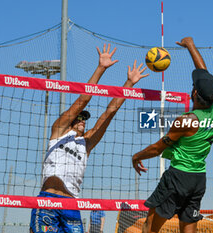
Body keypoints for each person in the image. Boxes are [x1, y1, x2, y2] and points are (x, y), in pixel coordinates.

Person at [30, 44, 149, 233]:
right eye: (80, 117)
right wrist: (101, 68)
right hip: (48, 200)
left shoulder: (86, 143)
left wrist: (129, 85)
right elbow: (82, 101)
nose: (83, 120)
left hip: (71, 205)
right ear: (70, 119)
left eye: (85, 119)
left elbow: (110, 113)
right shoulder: (59, 131)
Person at [132, 37, 213, 233]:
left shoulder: (186, 121)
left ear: (194, 92)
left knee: (149, 228)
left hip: (178, 177)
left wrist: (137, 156)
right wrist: (191, 46)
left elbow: (157, 149)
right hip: (198, 179)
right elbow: (204, 74)